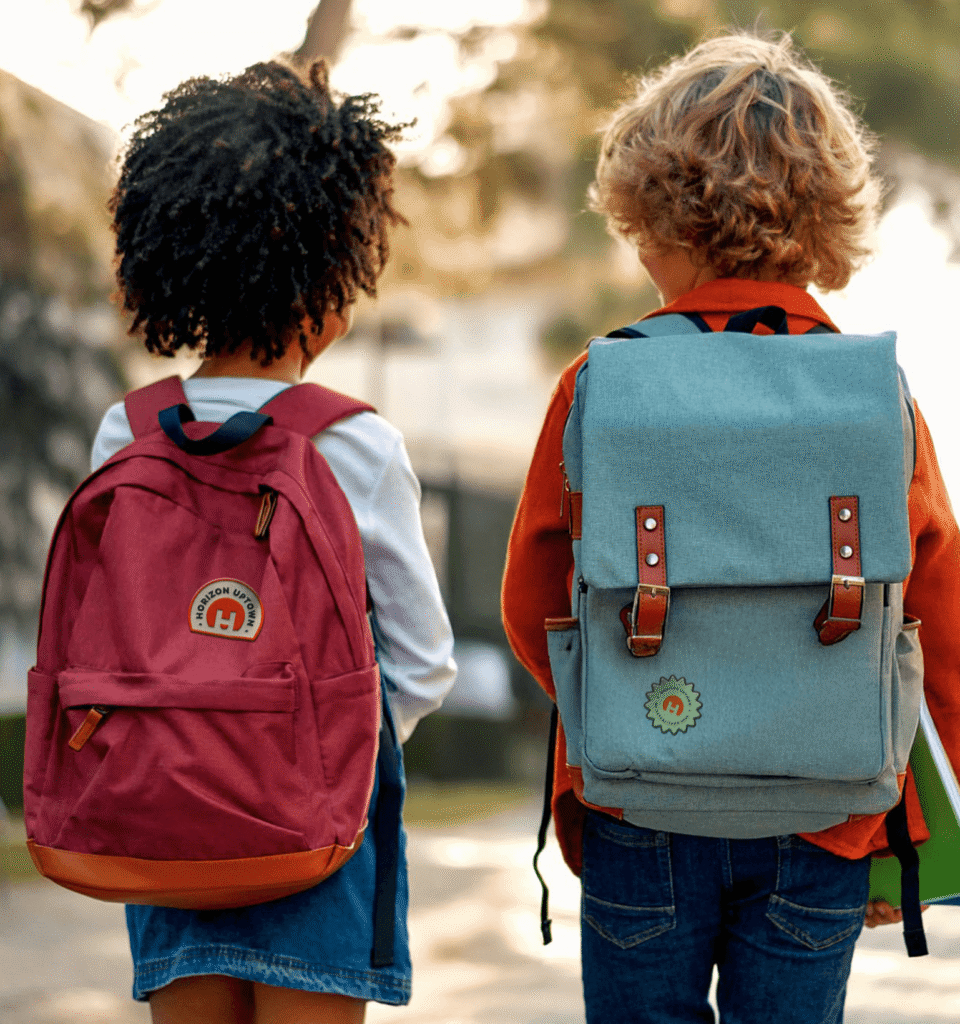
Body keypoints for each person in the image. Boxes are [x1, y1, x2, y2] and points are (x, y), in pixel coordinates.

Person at [502, 31, 960, 1024]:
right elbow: (941, 614)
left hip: (640, 803)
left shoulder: (599, 384)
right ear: (827, 216)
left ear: (647, 215)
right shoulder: (878, 396)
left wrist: (624, 708)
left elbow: (530, 599)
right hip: (827, 811)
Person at [91, 60, 456, 1024]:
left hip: (166, 824)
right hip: (315, 834)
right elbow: (421, 665)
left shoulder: (125, 434)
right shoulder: (356, 443)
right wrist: (309, 751)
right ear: (331, 276)